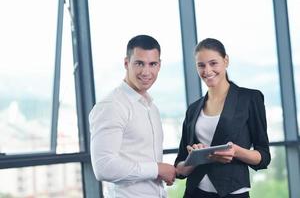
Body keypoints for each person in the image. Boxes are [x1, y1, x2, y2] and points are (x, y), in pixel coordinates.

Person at [175, 38, 271, 198]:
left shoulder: (250, 99)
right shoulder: (193, 109)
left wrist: (237, 152)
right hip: (194, 192)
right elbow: (179, 167)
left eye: (213, 63)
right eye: (201, 65)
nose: (207, 70)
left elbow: (264, 156)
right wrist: (194, 159)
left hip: (232, 193)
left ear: (226, 61)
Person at [89, 35, 176, 198]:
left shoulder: (151, 108)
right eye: (139, 63)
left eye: (152, 64)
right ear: (126, 63)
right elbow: (103, 167)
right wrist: (157, 169)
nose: (146, 72)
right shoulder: (112, 106)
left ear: (159, 66)